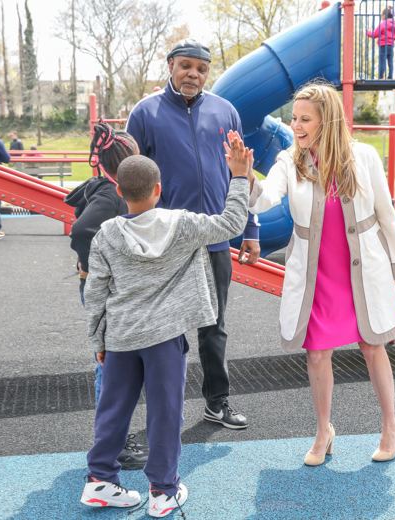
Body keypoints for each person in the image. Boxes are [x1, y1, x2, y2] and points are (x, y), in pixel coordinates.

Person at [237, 81, 395, 466]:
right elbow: (264, 200)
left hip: (361, 271)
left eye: (305, 119)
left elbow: (385, 212)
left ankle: (390, 426)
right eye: (294, 118)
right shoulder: (290, 161)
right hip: (316, 276)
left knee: (372, 345)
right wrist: (244, 176)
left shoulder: (363, 157)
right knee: (317, 354)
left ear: (326, 120)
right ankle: (323, 431)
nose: (296, 126)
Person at [80, 149, 252, 515]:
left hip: (121, 337)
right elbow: (232, 223)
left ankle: (100, 481)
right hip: (165, 339)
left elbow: (95, 293)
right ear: (158, 189)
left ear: (119, 190)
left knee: (112, 409)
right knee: (165, 412)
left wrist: (98, 339)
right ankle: (163, 491)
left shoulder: (107, 235)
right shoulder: (184, 225)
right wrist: (238, 176)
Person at [126, 38, 258, 429]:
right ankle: (159, 412)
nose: (193, 75)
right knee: (159, 328)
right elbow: (130, 178)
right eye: (185, 66)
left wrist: (249, 227)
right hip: (164, 241)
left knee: (214, 327)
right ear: (170, 66)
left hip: (216, 238)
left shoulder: (225, 111)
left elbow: (242, 173)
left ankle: (217, 402)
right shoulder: (145, 113)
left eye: (201, 69)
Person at [64, 122, 148, 469]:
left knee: (115, 364)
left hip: (108, 291)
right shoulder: (113, 194)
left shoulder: (106, 189)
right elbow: (83, 230)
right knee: (112, 368)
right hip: (106, 292)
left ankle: (113, 436)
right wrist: (96, 266)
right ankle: (112, 441)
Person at [366, 7, 395, 79]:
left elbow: (375, 34)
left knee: (382, 62)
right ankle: (390, 77)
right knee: (390, 62)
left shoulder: (383, 24)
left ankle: (381, 77)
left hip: (383, 46)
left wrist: (367, 32)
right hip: (391, 46)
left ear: (384, 15)